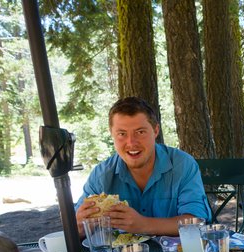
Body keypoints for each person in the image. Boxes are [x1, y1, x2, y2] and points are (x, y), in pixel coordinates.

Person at [75, 97, 210, 237]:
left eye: (140, 132)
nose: (131, 143)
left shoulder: (182, 165)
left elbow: (196, 222)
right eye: (122, 134)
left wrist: (143, 225)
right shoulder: (101, 176)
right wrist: (80, 226)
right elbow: (76, 229)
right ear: (112, 135)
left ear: (156, 131)